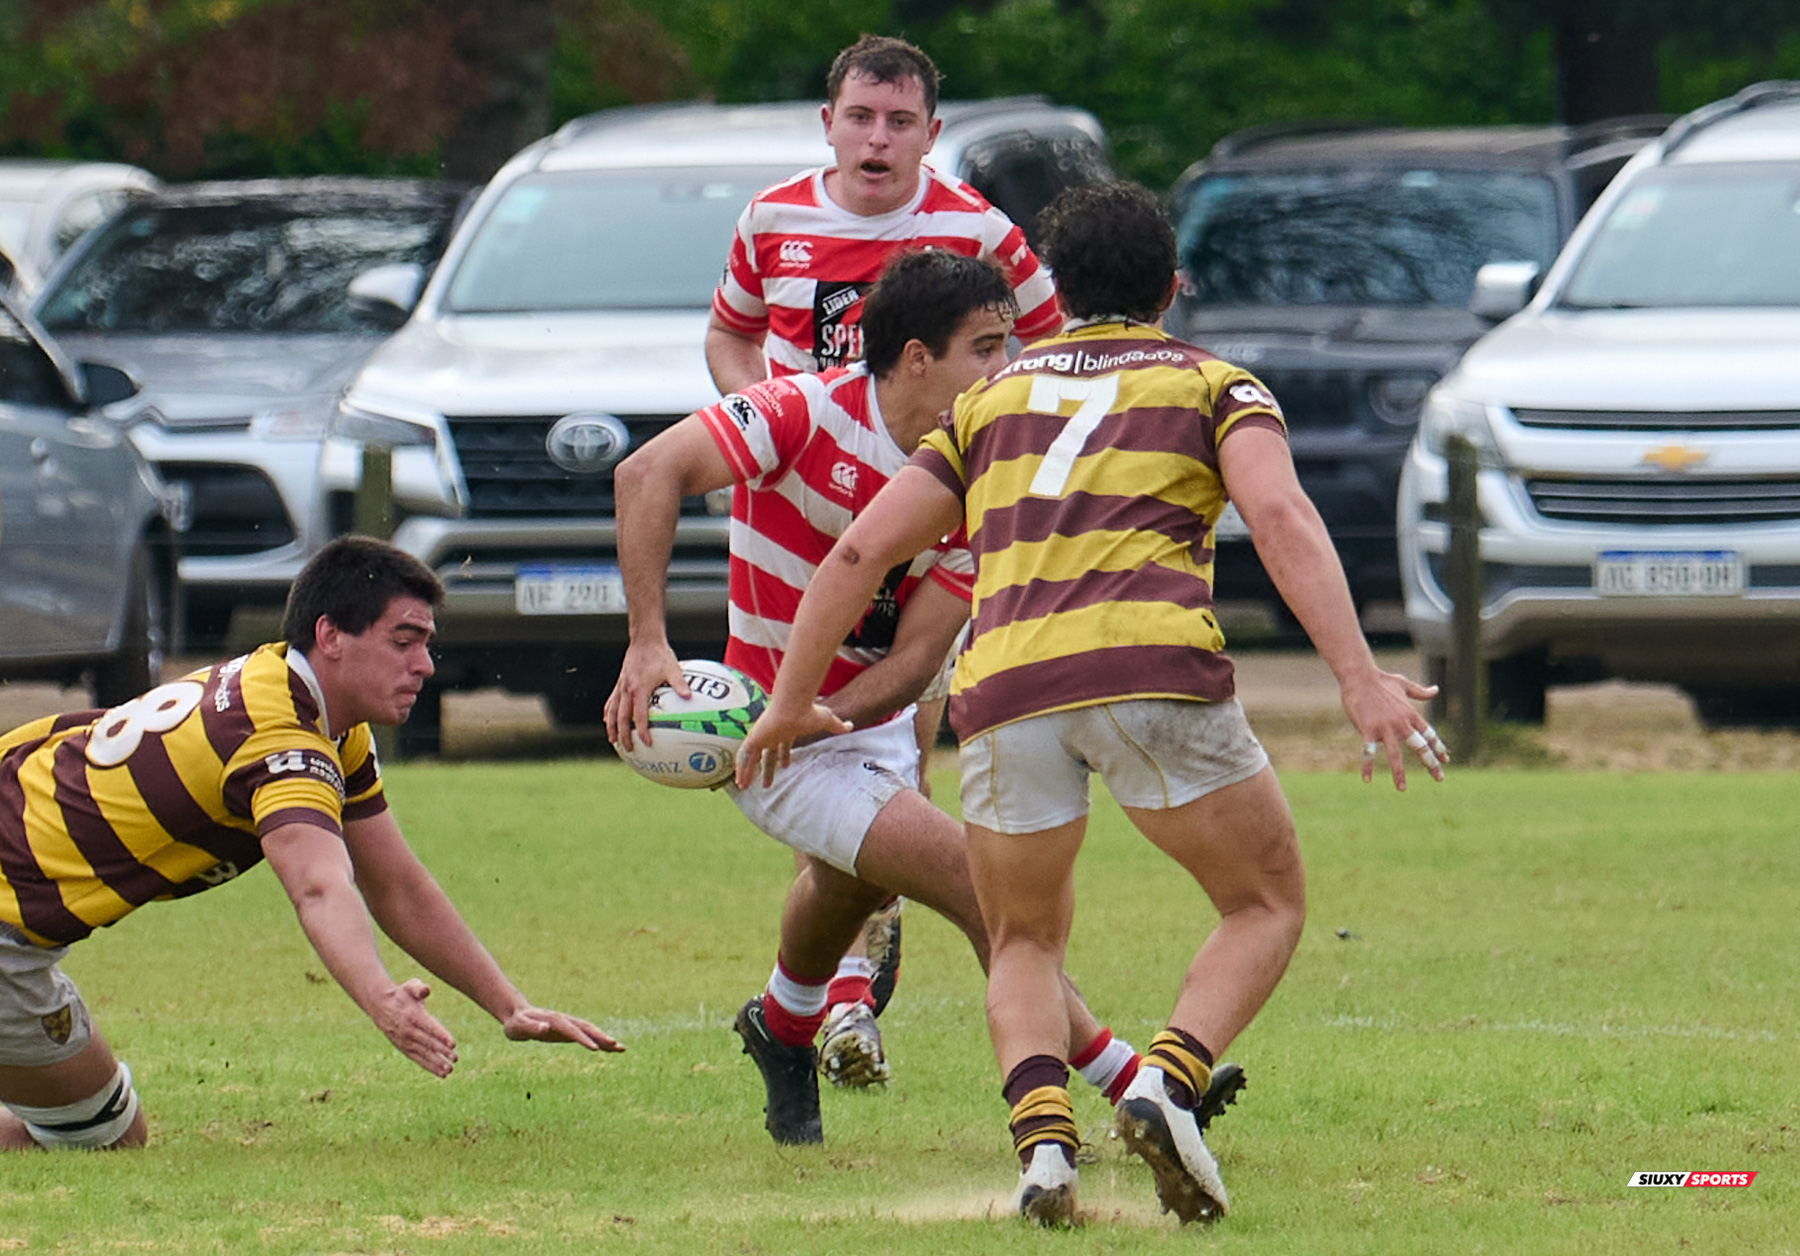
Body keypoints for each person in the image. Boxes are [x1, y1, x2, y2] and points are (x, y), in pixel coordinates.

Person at [736, 181, 1449, 1223]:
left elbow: (860, 550)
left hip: (1008, 686)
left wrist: (791, 699)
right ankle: (1169, 1074)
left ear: (1055, 294)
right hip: (1153, 666)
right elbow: (1281, 514)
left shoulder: (988, 399)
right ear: (1173, 285)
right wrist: (1358, 674)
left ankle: (1045, 1153)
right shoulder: (1215, 383)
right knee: (1265, 900)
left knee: (1023, 937)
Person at [604, 250, 1143, 1147]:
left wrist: (827, 715)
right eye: (987, 348)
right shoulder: (802, 410)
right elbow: (644, 475)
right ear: (919, 359)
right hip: (764, 737)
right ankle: (1133, 1085)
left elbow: (921, 652)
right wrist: (649, 640)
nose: (1006, 368)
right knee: (985, 886)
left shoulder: (979, 473)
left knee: (847, 886)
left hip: (858, 726)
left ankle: (781, 1025)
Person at [0, 536, 621, 1151]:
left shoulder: (306, 704)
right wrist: (382, 999)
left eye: (426, 644)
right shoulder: (281, 741)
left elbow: (395, 884)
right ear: (329, 637)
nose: (425, 665)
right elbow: (321, 887)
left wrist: (508, 1005)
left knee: (106, 1132)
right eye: (403, 642)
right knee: (96, 1145)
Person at [704, 33, 1068, 1054]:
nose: (877, 138)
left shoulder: (979, 233)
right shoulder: (771, 217)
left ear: (931, 134)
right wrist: (768, 415)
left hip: (927, 516)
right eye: (860, 117)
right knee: (815, 739)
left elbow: (1052, 342)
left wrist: (994, 451)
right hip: (797, 508)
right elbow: (729, 334)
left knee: (889, 746)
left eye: (899, 121)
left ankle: (840, 991)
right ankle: (842, 988)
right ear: (829, 123)